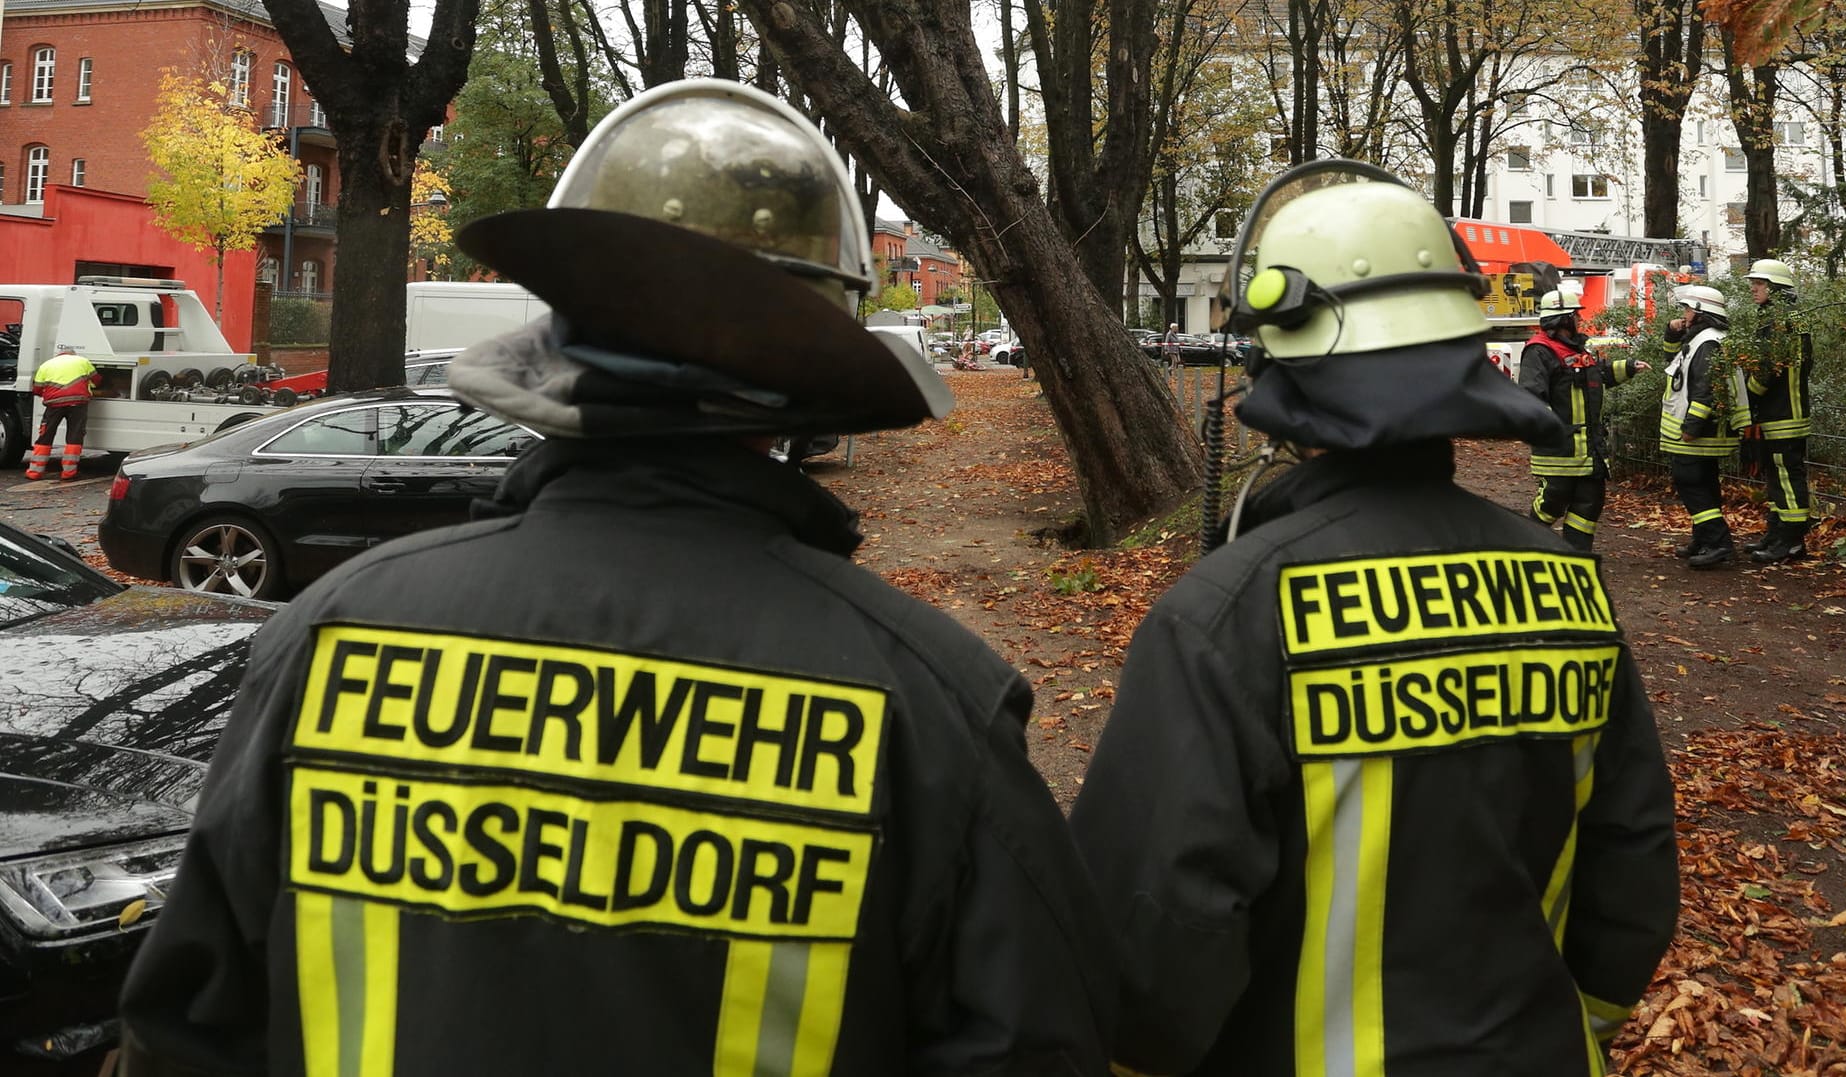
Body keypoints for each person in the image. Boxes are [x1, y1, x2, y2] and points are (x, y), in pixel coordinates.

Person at [118, 80, 1113, 1076]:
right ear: (800, 387)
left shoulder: (329, 638)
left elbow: (185, 1030)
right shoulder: (926, 703)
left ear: (562, 335)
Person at [1068, 159, 1679, 1076]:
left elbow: (1152, 937)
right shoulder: (1571, 584)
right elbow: (1633, 858)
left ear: (1281, 365)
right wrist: (1570, 1024)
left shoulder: (1228, 613)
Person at [1517, 284, 1650, 550]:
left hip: (1590, 449)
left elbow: (1595, 375)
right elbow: (1530, 398)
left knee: (1590, 503)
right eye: (1575, 315)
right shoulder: (1539, 351)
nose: (1580, 319)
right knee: (1553, 500)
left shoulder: (1578, 351)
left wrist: (1628, 367)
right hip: (1560, 450)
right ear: (1563, 319)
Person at [1660, 284, 1750, 568]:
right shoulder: (1706, 339)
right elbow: (1672, 361)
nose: (1684, 314)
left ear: (1700, 312)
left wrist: (1692, 427)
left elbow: (1705, 390)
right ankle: (1703, 539)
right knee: (1705, 483)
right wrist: (1672, 333)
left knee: (1690, 483)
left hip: (1698, 433)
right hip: (1708, 431)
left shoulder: (1707, 343)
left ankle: (1718, 542)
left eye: (1687, 309)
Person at [1742, 258, 1814, 563]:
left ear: (1775, 288)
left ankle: (1792, 542)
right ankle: (1776, 534)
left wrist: (1747, 395)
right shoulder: (1787, 317)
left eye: (1759, 284)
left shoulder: (1781, 321)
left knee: (1786, 477)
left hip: (1784, 414)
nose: (1753, 289)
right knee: (1776, 477)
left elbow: (1769, 368)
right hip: (1781, 411)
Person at [24, 347, 102, 480]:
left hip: (54, 404)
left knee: (46, 436)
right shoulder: (82, 361)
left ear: (59, 355)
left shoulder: (46, 365)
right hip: (78, 403)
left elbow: (37, 389)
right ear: (73, 354)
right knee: (74, 436)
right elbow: (97, 380)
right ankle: (69, 473)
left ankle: (35, 472)